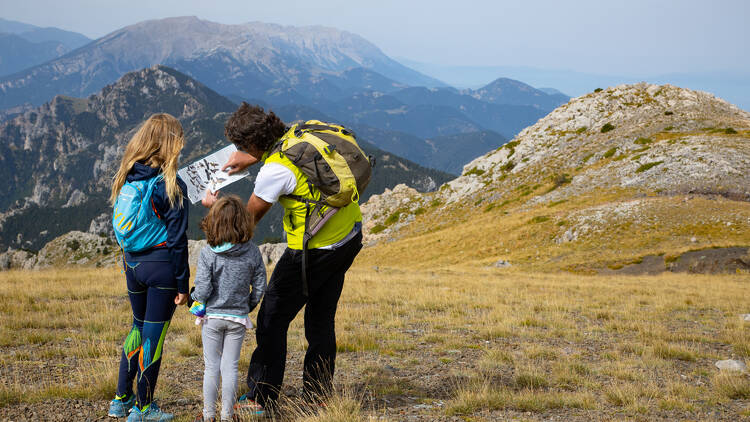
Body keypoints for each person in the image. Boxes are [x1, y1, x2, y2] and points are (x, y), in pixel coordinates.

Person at [202, 103, 363, 413]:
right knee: (320, 316)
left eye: (241, 147)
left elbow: (241, 226)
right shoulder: (298, 133)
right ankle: (318, 393)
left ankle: (261, 398)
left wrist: (214, 207)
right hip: (348, 236)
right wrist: (250, 158)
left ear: (251, 143)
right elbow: (280, 153)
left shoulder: (274, 171)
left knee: (271, 319)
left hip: (312, 251)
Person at [107, 113, 190, 422]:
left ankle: (121, 398)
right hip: (161, 269)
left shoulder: (128, 174)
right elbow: (178, 241)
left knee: (137, 328)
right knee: (153, 337)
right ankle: (143, 408)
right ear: (172, 143)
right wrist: (183, 285)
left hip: (132, 264)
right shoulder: (169, 184)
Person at [190, 195, 266, 422]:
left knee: (211, 367)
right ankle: (226, 416)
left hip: (212, 317)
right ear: (243, 221)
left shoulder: (208, 253)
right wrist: (248, 305)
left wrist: (195, 299)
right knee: (230, 368)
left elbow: (202, 289)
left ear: (213, 222)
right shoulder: (252, 251)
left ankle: (208, 416)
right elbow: (260, 285)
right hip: (238, 318)